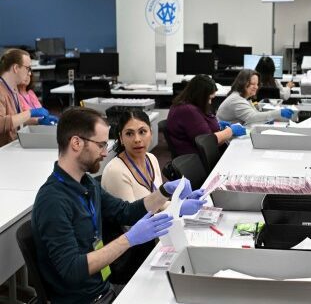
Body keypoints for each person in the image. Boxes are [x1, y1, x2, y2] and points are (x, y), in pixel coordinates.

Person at [31, 108, 204, 303]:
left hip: (104, 289)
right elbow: (72, 269)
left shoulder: (86, 184)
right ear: (76, 143)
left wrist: (163, 193)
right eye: (101, 145)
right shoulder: (52, 201)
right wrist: (128, 239)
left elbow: (126, 211)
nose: (105, 153)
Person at [167, 74, 245, 156]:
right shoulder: (187, 110)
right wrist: (230, 131)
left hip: (199, 156)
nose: (210, 102)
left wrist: (217, 125)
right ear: (199, 95)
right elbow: (208, 141)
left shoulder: (189, 105)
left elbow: (198, 128)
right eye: (209, 98)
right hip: (197, 160)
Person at [0, 48, 53, 147]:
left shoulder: (13, 89)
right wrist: (29, 113)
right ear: (16, 68)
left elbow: (17, 120)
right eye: (27, 68)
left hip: (12, 147)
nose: (29, 73)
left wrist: (37, 121)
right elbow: (1, 123)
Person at [216, 69, 294, 125]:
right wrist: (278, 113)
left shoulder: (243, 98)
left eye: (257, 84)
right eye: (252, 84)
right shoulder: (236, 99)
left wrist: (266, 119)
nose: (256, 87)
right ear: (242, 83)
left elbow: (254, 114)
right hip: (227, 142)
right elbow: (252, 117)